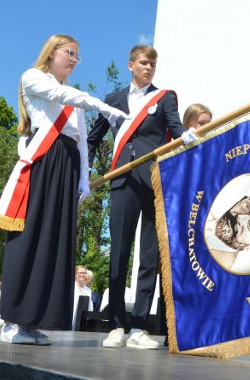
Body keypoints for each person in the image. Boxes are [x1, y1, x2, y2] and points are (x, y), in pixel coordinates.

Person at [0, 34, 130, 346]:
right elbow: (59, 95)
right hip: (43, 162)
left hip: (66, 166)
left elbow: (81, 142)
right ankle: (14, 320)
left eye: (77, 56)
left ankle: (36, 321)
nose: (74, 60)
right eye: (70, 52)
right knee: (29, 238)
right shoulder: (34, 78)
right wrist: (102, 105)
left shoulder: (73, 97)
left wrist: (84, 180)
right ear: (51, 51)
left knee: (55, 244)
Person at [87, 45, 196, 350]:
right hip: (121, 181)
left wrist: (185, 135)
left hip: (152, 181)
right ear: (131, 65)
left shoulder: (164, 98)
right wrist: (84, 171)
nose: (148, 68)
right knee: (119, 253)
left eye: (153, 65)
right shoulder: (112, 100)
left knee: (149, 257)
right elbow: (94, 139)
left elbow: (174, 127)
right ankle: (116, 325)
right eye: (144, 63)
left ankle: (138, 327)